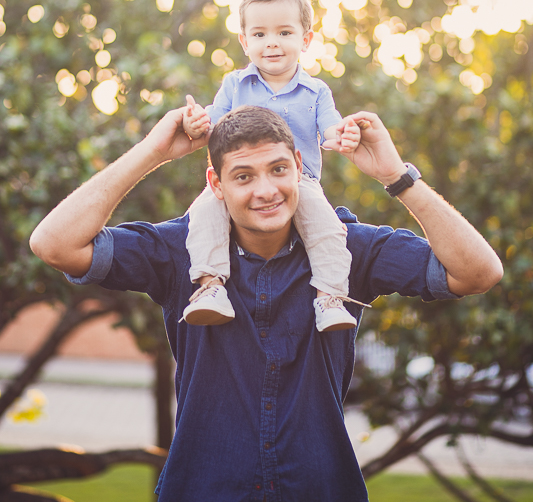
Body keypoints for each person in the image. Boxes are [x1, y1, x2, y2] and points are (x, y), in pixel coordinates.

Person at [30, 105, 503, 502]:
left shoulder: (349, 248)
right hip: (204, 487)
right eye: (243, 176)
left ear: (299, 164)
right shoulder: (179, 251)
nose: (266, 190)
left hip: (320, 487)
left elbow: (479, 273)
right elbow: (54, 244)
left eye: (278, 169)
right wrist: (153, 152)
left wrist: (398, 177)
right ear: (216, 184)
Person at [182, 0, 367, 333]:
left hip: (300, 182)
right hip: (239, 181)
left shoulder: (315, 90)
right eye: (260, 34)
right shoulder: (235, 84)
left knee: (327, 227)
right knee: (203, 213)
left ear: (305, 39)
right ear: (245, 42)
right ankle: (210, 287)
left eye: (284, 33)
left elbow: (330, 128)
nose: (272, 43)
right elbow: (213, 122)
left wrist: (345, 133)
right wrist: (195, 123)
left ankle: (329, 297)